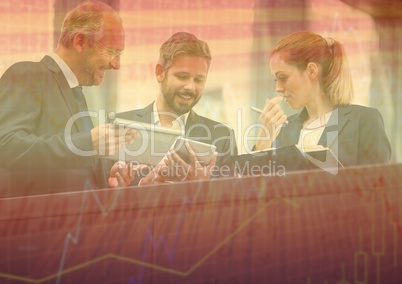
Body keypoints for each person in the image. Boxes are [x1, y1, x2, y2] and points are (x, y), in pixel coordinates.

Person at [0, 1, 136, 196]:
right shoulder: (27, 74)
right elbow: (6, 145)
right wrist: (88, 143)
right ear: (80, 41)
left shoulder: (75, 91)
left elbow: (69, 166)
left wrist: (106, 175)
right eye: (112, 52)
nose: (117, 65)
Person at [108, 32, 238, 187]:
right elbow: (99, 200)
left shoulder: (222, 137)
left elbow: (231, 204)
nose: (190, 87)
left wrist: (201, 187)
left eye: (199, 80)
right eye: (182, 77)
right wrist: (126, 189)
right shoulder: (119, 126)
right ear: (160, 72)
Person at [254, 31, 391, 167]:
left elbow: (378, 185)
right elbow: (257, 185)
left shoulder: (364, 121)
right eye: (275, 79)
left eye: (283, 77)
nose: (277, 88)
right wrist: (262, 142)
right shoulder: (283, 130)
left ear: (312, 71)